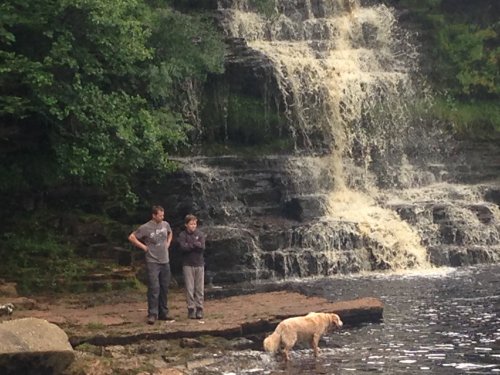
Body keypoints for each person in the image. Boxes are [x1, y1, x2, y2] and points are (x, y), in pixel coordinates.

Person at [128, 205, 173, 324]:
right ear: (154, 215)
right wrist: (143, 247)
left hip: (165, 260)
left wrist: (168, 243)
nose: (162, 217)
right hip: (153, 261)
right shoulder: (146, 227)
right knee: (154, 287)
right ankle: (152, 314)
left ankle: (164, 312)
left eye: (163, 215)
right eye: (160, 215)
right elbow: (132, 237)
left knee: (164, 287)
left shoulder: (166, 224)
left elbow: (170, 233)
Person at [177, 214, 206, 319]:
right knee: (189, 288)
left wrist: (191, 245)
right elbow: (183, 248)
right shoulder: (182, 235)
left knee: (199, 288)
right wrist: (194, 244)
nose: (193, 226)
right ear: (186, 225)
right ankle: (190, 309)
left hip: (199, 264)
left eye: (195, 224)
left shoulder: (200, 234)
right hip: (187, 264)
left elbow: (202, 247)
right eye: (191, 224)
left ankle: (199, 309)